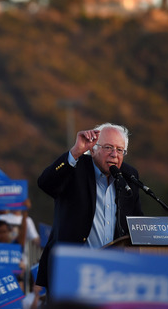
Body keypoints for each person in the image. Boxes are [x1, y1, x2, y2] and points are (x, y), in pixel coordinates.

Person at [35, 123, 143, 297]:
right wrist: (75, 152)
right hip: (71, 271)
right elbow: (46, 183)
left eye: (119, 150)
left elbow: (136, 222)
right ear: (93, 150)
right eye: (108, 147)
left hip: (113, 276)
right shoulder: (75, 167)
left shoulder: (129, 175)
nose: (114, 155)